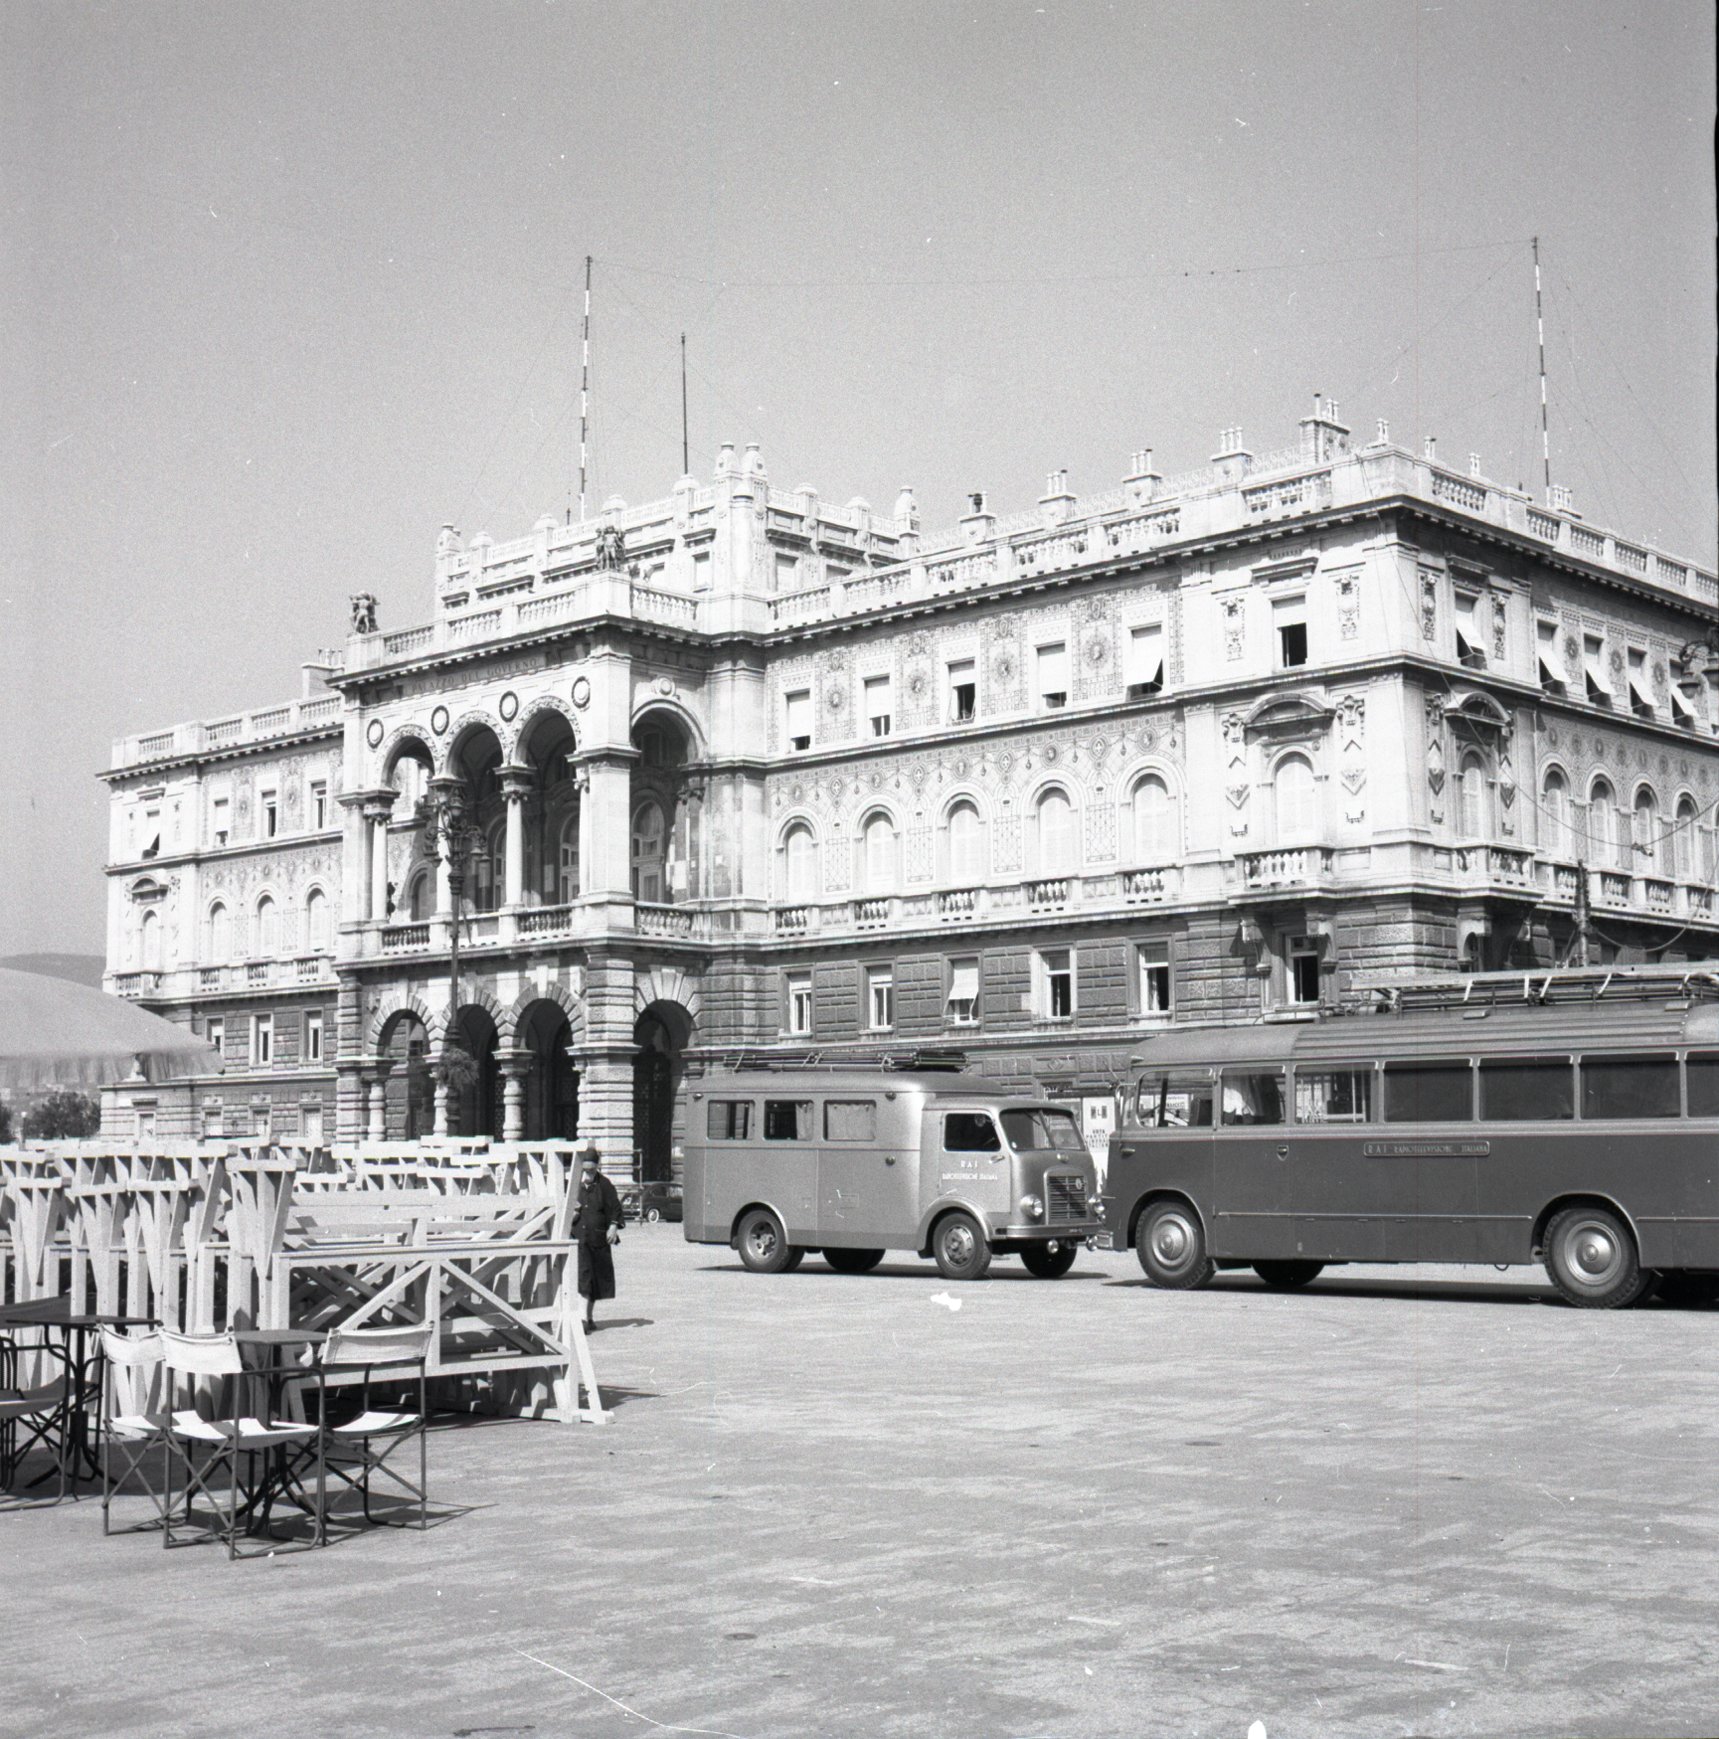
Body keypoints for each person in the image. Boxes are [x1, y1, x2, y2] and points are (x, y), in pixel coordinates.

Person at [570, 1146, 625, 1331]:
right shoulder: (572, 1184)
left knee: (595, 1281)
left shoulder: (605, 1184)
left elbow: (615, 1208)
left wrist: (613, 1226)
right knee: (583, 1278)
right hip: (579, 1239)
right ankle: (582, 1320)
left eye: (592, 1170)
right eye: (585, 1170)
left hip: (598, 1239)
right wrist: (572, 1212)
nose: (588, 1173)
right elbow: (562, 1210)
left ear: (597, 1167)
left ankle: (588, 1316)